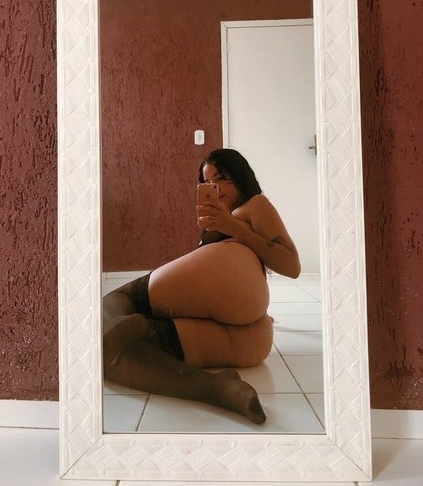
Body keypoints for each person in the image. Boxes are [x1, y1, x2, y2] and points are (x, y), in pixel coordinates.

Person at [103, 148, 300, 424]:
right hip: (251, 338)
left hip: (246, 305)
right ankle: (217, 389)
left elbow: (292, 266)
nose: (214, 188)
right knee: (124, 353)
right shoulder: (219, 219)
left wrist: (235, 228)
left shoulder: (256, 204)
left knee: (115, 300)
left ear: (240, 175)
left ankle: (116, 328)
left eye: (221, 178)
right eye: (207, 183)